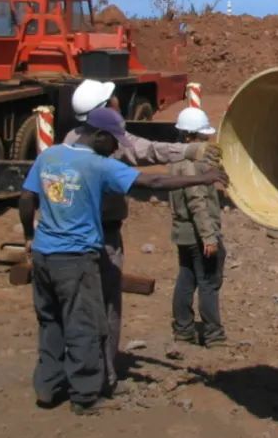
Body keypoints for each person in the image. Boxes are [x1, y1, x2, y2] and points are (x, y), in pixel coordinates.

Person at [19, 107, 226, 415]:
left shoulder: (50, 156)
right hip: (76, 259)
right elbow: (152, 184)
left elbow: (26, 198)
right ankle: (85, 396)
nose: (117, 147)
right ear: (99, 135)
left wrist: (28, 235)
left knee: (50, 321)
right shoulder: (98, 166)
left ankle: (46, 386)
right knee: (84, 325)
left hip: (44, 254)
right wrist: (206, 177)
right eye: (113, 140)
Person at [64, 79, 220, 396]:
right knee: (105, 307)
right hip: (100, 235)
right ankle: (99, 381)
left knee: (77, 307)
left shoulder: (73, 140)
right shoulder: (104, 146)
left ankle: (75, 374)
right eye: (112, 99)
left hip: (72, 236)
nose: (118, 102)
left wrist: (189, 149)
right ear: (102, 111)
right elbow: (149, 166)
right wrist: (197, 160)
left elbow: (148, 150)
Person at [169, 107, 226, 347]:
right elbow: (197, 202)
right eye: (204, 137)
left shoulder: (177, 160)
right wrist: (209, 237)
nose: (207, 141)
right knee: (208, 283)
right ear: (192, 136)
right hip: (198, 234)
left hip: (182, 233)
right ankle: (213, 335)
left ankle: (183, 330)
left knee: (186, 278)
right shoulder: (190, 165)